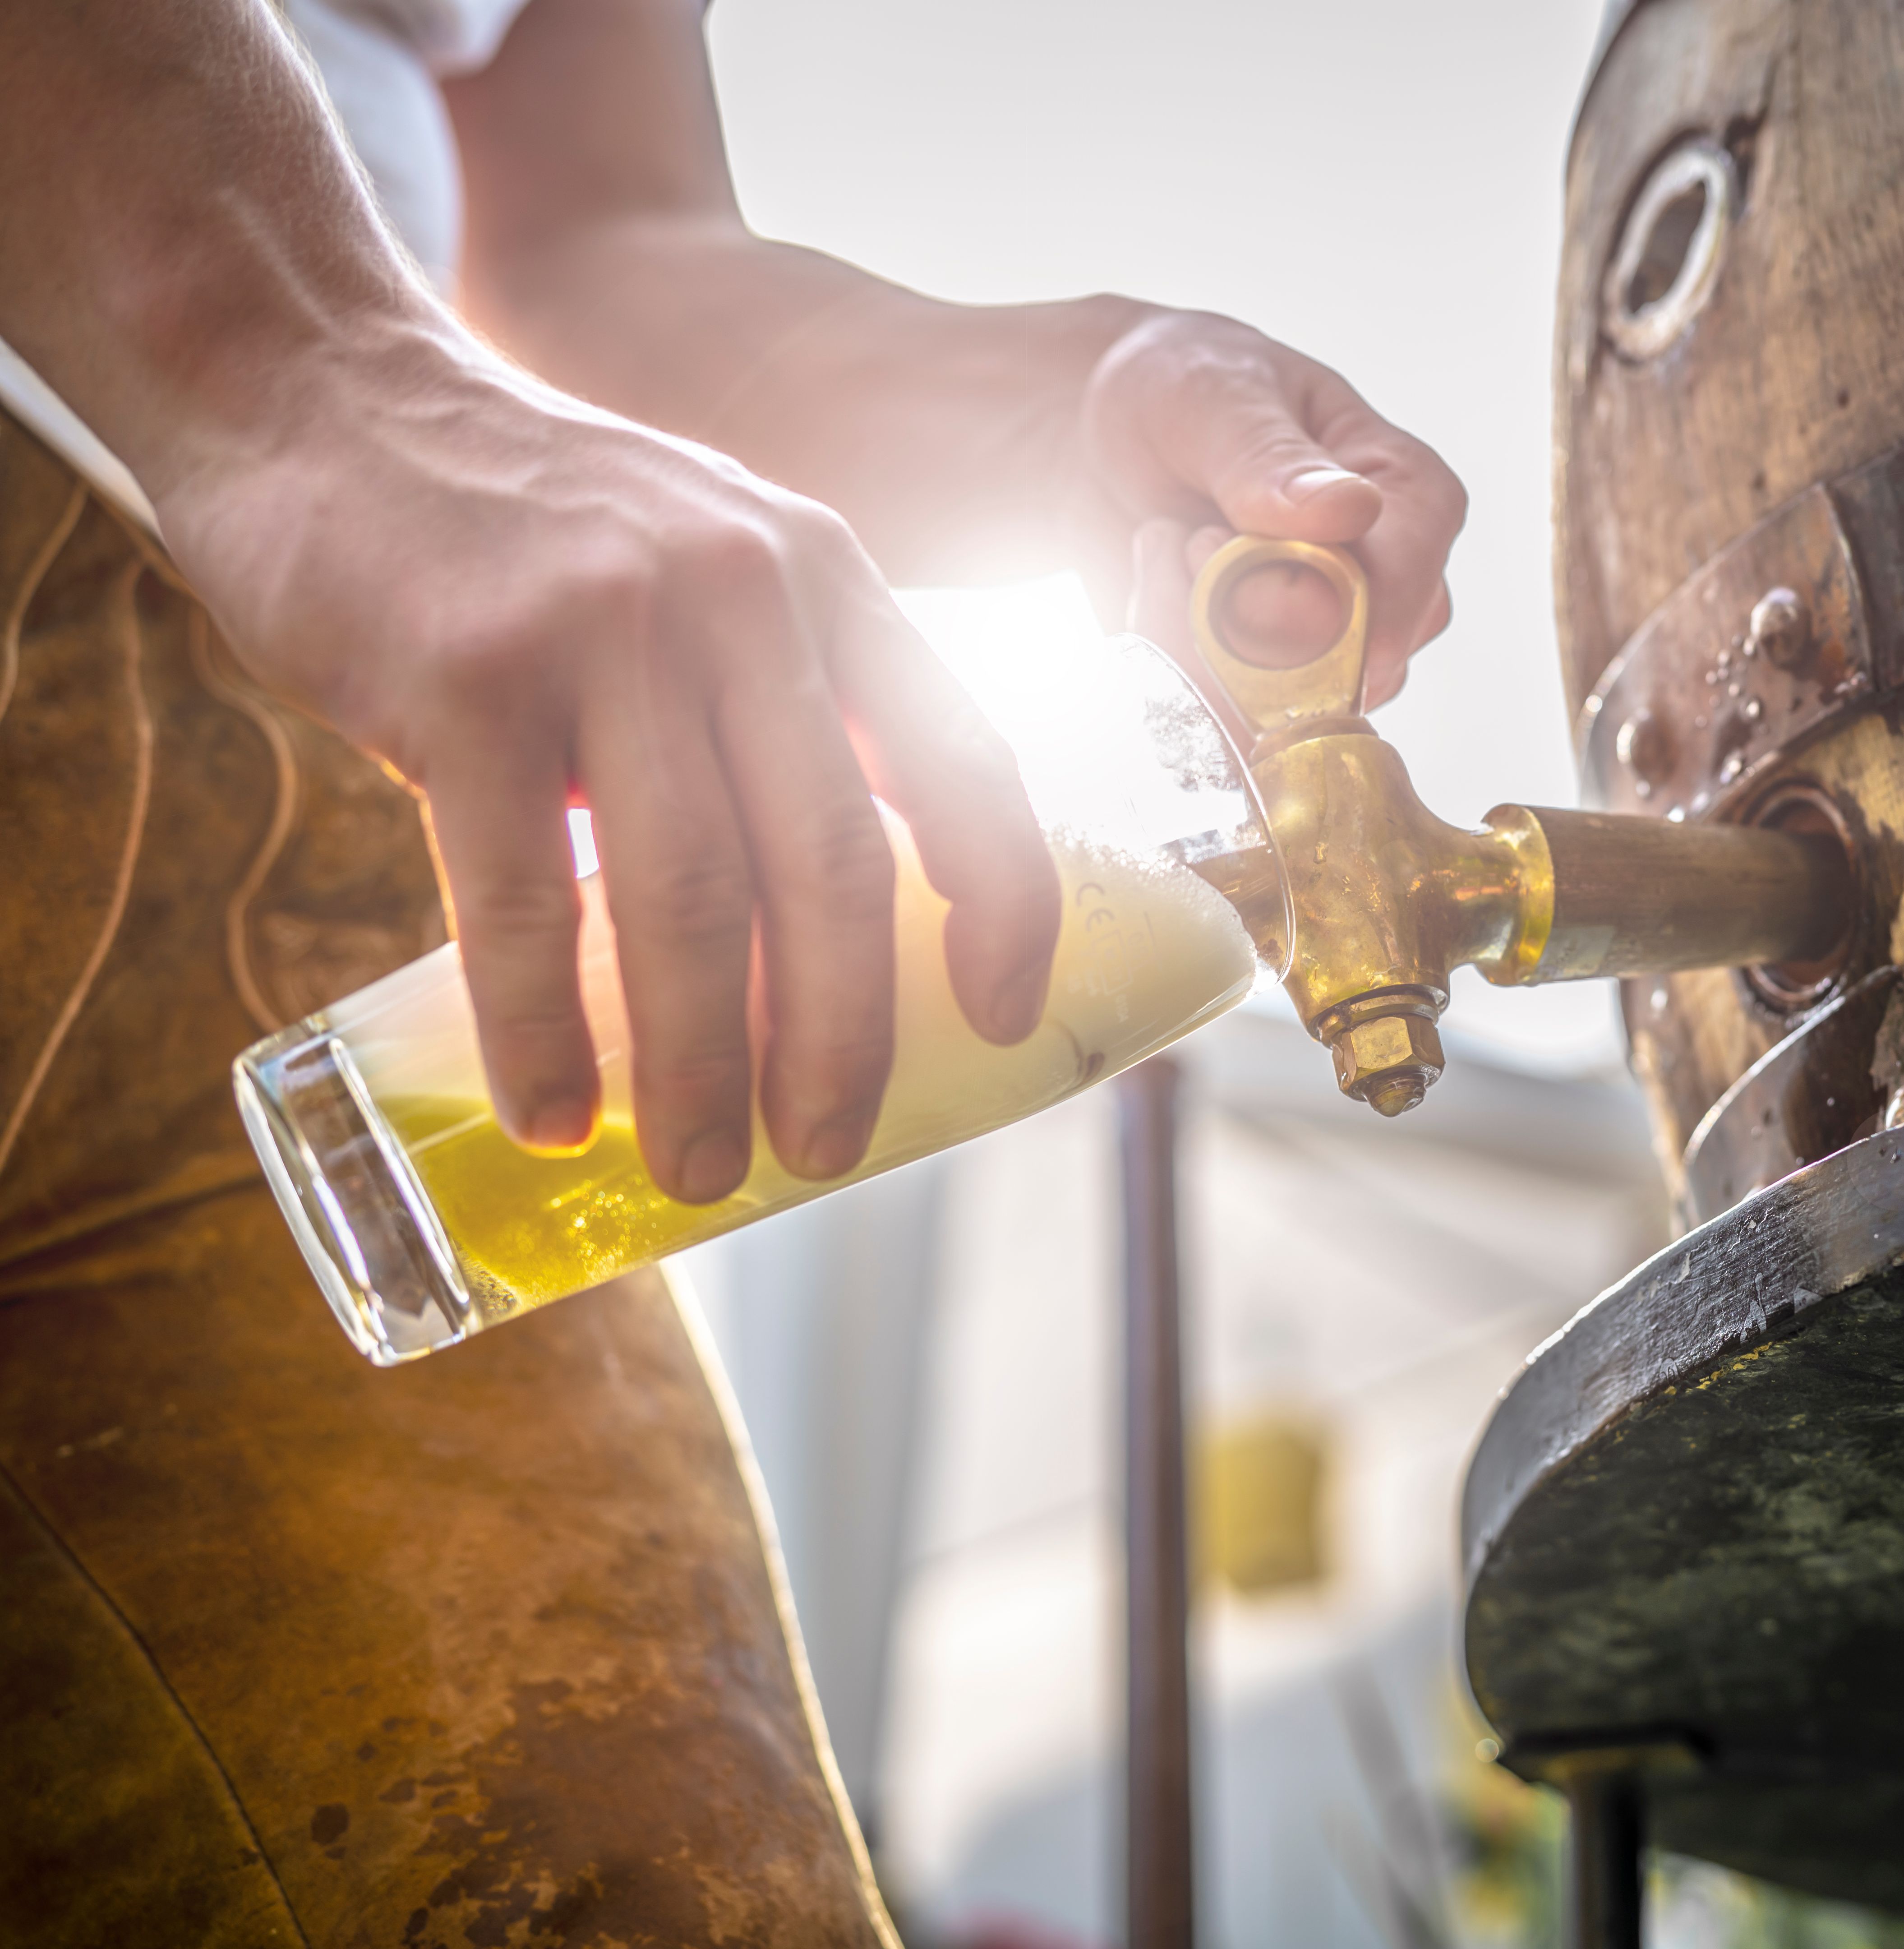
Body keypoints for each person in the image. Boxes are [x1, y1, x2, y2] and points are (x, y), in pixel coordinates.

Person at [0, 2, 1463, 1941]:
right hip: (195, 465)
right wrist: (290, 362)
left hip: (288, 735)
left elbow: (592, 241)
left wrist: (1058, 404)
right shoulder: (284, 375)